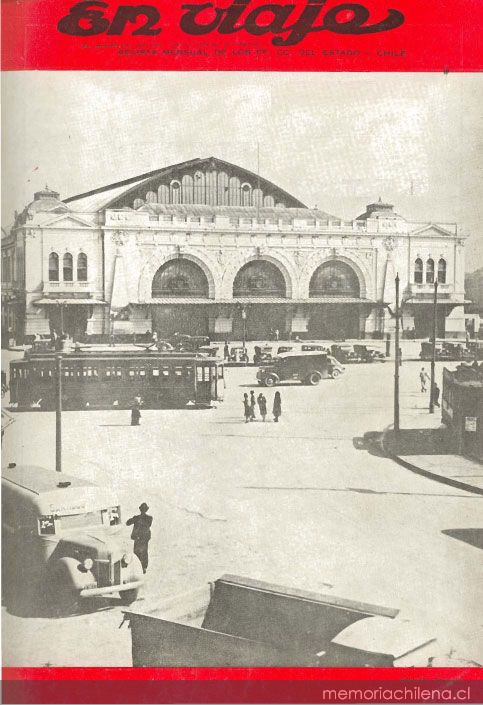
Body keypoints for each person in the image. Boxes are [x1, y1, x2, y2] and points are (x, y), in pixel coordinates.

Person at [126, 503, 152, 574]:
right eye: (143, 509)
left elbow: (147, 524)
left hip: (142, 539)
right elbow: (127, 523)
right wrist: (135, 519)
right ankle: (141, 568)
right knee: (139, 553)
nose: (143, 511)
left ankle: (143, 568)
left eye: (144, 510)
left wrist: (136, 518)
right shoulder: (138, 518)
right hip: (139, 539)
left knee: (141, 553)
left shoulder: (148, 518)